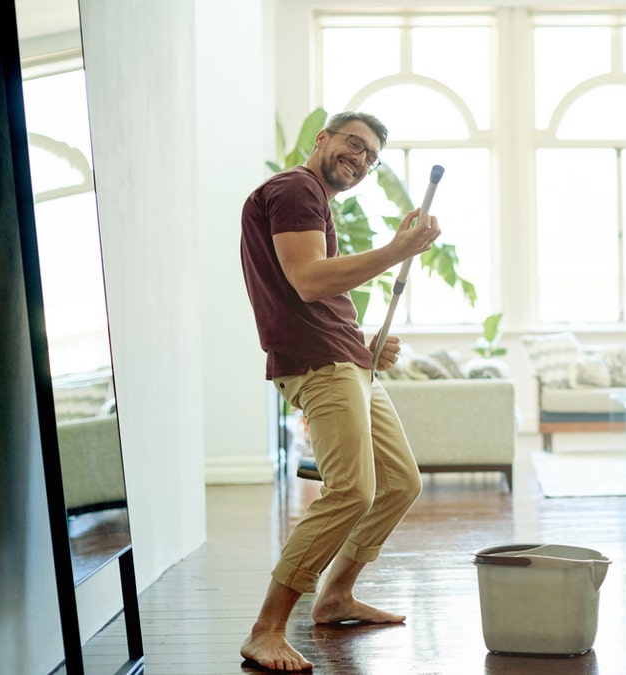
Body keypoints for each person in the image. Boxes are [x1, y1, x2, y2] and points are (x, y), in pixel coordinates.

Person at [238, 111, 441, 672]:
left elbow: (315, 288)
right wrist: (398, 250)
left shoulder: (315, 201)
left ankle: (334, 596)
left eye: (372, 157)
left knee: (400, 482)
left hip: (345, 355)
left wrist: (367, 342)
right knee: (352, 490)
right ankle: (267, 628)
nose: (361, 159)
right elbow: (309, 280)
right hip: (319, 363)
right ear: (323, 139)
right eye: (355, 144)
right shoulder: (297, 189)